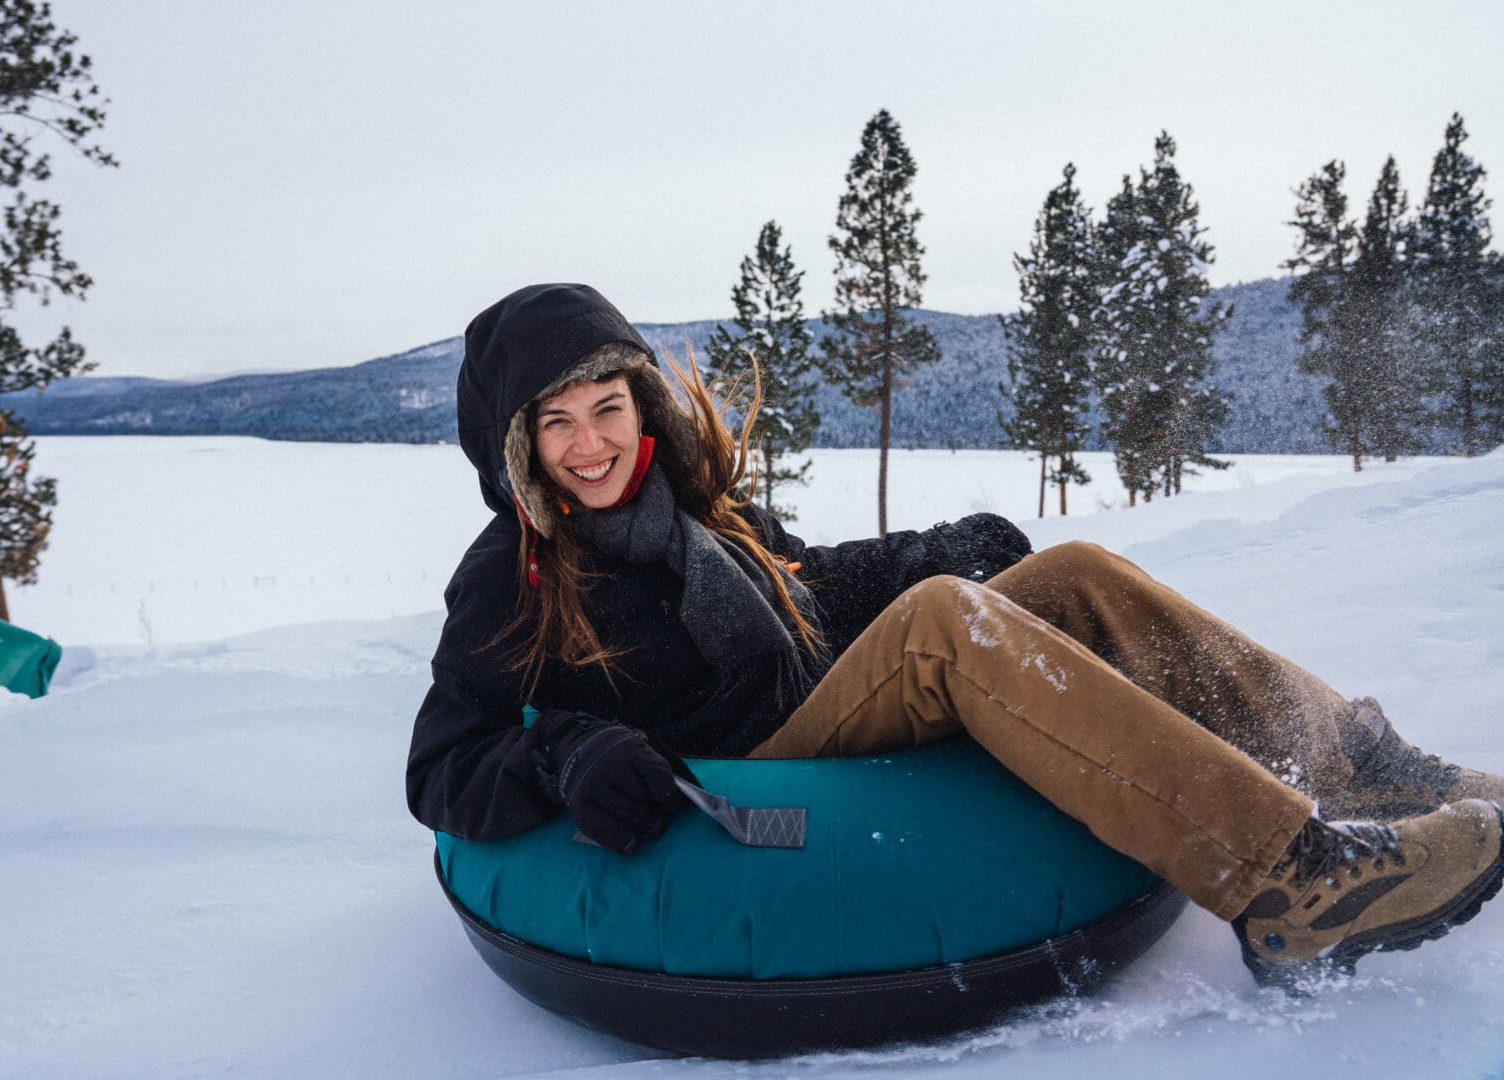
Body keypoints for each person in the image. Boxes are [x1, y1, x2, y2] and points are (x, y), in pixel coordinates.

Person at [407, 282, 1504, 990]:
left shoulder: (693, 509)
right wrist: (563, 751)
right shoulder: (510, 577)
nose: (589, 443)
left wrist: (932, 546)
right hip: (752, 774)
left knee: (1068, 574)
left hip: (821, 697)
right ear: (515, 447)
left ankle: (1355, 765)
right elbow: (441, 764)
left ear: (639, 402)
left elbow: (807, 587)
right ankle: (1291, 884)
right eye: (554, 422)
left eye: (604, 406)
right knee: (941, 627)